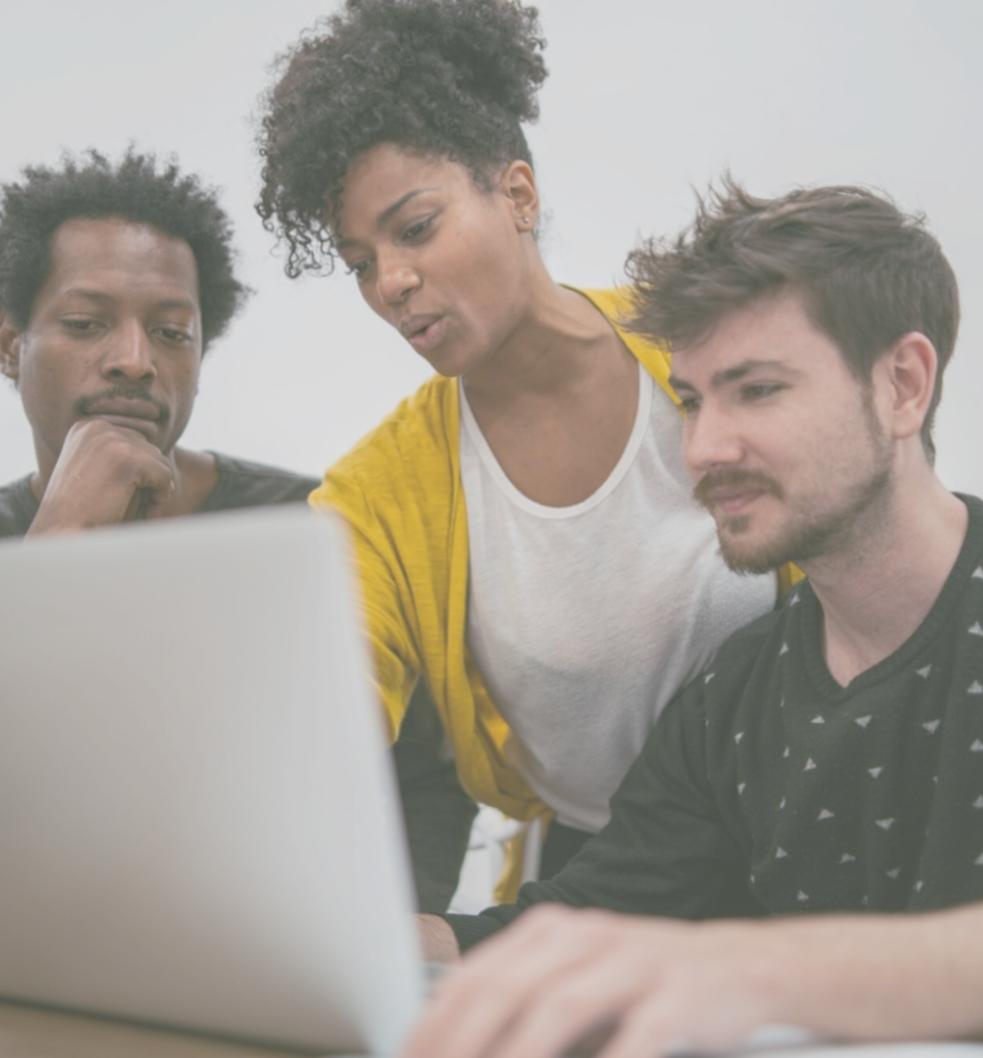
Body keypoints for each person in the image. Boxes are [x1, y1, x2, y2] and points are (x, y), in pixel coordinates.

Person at [404, 181, 983, 1057]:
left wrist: (745, 971)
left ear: (903, 385)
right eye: (693, 400)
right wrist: (401, 947)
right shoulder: (730, 695)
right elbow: (586, 919)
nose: (704, 448)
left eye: (757, 391)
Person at [255, 0, 784, 889]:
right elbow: (322, 708)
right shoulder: (379, 497)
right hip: (607, 886)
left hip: (823, 830)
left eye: (415, 228)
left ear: (517, 195)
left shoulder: (707, 345)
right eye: (359, 262)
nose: (391, 283)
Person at [0, 149, 475, 910]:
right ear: (8, 342)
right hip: (35, 968)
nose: (133, 361)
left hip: (277, 970)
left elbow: (422, 781)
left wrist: (385, 941)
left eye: (172, 334)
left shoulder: (309, 529)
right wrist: (58, 540)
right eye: (87, 324)